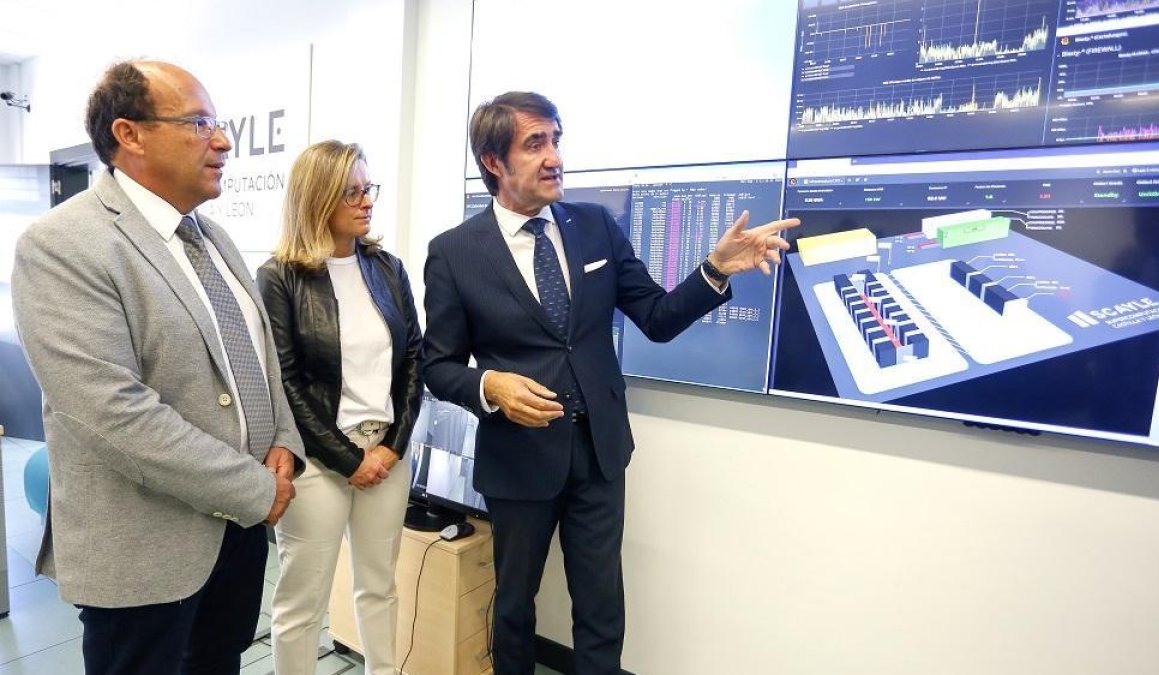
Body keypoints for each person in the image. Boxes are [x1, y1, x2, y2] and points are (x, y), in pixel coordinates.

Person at [421, 91, 798, 675]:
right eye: (534, 144)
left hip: (599, 452)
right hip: (519, 460)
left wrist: (715, 270)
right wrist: (490, 386)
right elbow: (438, 365)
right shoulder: (454, 253)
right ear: (493, 162)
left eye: (556, 140)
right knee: (515, 608)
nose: (554, 157)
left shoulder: (594, 226)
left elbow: (657, 317)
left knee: (601, 607)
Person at [10, 60, 304, 675]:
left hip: (235, 539)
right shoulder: (65, 244)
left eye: (218, 124)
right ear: (130, 134)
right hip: (143, 550)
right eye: (199, 123)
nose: (222, 140)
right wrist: (255, 488)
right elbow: (110, 411)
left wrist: (283, 440)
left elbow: (256, 358)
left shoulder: (212, 237)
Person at [258, 140, 424, 675]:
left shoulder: (387, 268)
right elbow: (286, 382)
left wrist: (393, 448)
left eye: (367, 188)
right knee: (301, 605)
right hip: (316, 462)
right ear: (317, 199)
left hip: (388, 455)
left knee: (379, 587)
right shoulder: (281, 276)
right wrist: (350, 460)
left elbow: (415, 360)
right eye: (350, 192)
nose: (365, 201)